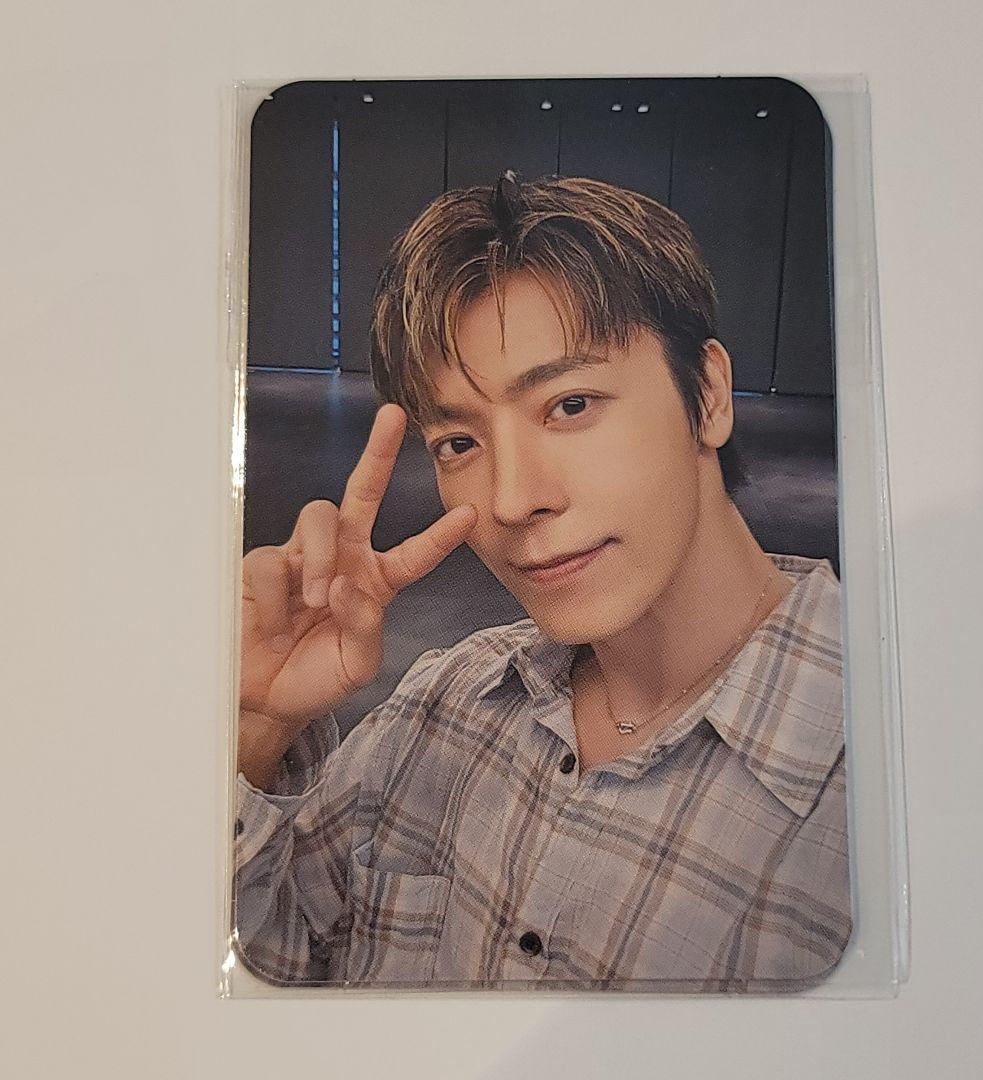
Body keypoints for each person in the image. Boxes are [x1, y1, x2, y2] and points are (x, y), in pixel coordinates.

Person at [233, 174, 850, 992]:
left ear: (706, 396)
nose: (513, 499)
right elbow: (263, 976)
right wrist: (256, 730)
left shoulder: (886, 782)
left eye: (570, 405)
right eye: (459, 443)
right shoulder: (445, 703)